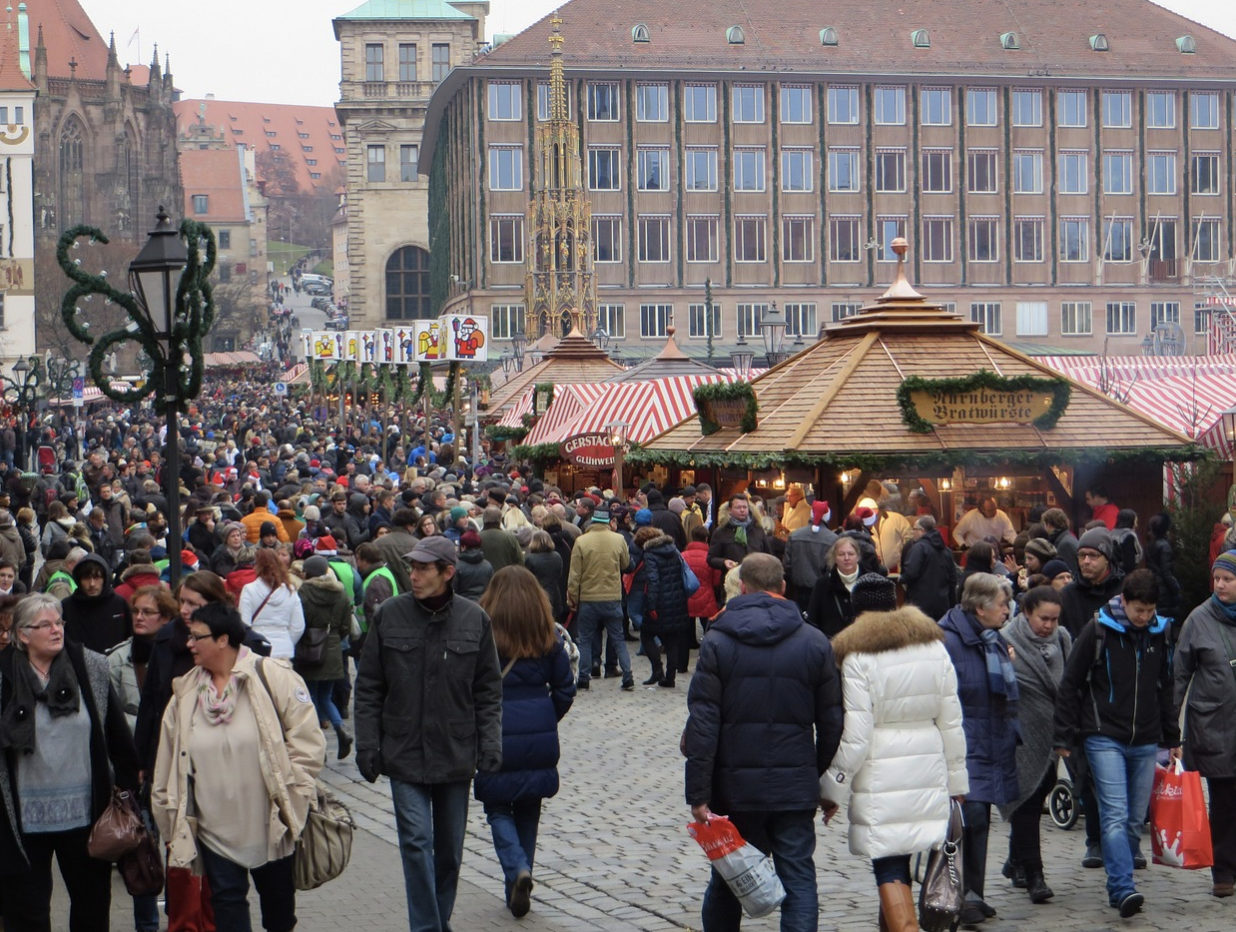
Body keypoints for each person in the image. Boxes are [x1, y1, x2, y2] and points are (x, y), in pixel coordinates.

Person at [684, 553, 843, 932]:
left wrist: (698, 795)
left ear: (742, 587)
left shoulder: (718, 639)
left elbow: (703, 722)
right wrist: (815, 774)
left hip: (735, 787)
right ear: (783, 587)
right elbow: (833, 721)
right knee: (799, 879)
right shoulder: (815, 640)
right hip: (793, 787)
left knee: (726, 882)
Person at [353, 535, 504, 932]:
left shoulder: (474, 619)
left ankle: (438, 920)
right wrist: (367, 744)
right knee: (417, 843)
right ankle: (427, 928)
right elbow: (369, 686)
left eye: (422, 568)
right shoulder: (390, 615)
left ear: (448, 573)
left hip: (456, 751)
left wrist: (491, 743)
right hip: (403, 750)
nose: (413, 575)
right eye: (412, 567)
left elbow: (488, 691)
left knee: (450, 852)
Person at [152, 601, 325, 932]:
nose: (189, 644)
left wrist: (296, 795)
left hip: (270, 823)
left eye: (196, 637)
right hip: (213, 827)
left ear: (222, 640)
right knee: (227, 903)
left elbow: (308, 743)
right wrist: (169, 817)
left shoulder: (272, 677)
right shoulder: (186, 691)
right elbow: (168, 761)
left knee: (278, 911)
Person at [819, 579, 968, 932]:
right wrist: (957, 781)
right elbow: (952, 719)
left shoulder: (857, 656)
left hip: (881, 767)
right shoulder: (934, 647)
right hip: (928, 762)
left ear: (856, 613)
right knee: (907, 850)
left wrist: (831, 789)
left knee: (888, 859)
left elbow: (856, 733)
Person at [0, 593, 139, 932]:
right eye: (44, 625)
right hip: (25, 820)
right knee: (27, 911)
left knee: (91, 906)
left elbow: (116, 735)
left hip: (85, 816)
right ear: (22, 634)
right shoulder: (4, 675)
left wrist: (129, 788)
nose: (56, 630)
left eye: (59, 622)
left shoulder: (89, 665)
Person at [1053, 569, 1178, 919]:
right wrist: (1064, 735)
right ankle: (1123, 887)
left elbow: (1165, 686)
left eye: (1150, 610)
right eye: (1139, 609)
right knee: (1115, 814)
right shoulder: (1099, 630)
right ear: (1124, 601)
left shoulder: (1161, 632)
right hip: (1103, 734)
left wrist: (1172, 737)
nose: (1144, 617)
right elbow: (1070, 683)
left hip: (1145, 739)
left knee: (1135, 819)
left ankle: (1119, 881)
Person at [474, 566, 575, 917]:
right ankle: (520, 877)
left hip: (494, 728)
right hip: (538, 732)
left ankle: (516, 868)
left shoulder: (482, 630)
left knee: (498, 805)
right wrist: (548, 717)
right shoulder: (547, 635)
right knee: (529, 806)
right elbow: (565, 687)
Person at [939, 573, 1019, 925]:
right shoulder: (948, 641)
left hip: (991, 739)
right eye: (1002, 605)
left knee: (981, 821)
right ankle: (955, 895)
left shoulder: (992, 638)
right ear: (979, 607)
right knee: (965, 822)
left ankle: (976, 892)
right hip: (963, 743)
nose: (1007, 610)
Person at [108, 584, 177, 932]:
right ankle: (146, 925)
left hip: (172, 765)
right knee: (142, 851)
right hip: (135, 768)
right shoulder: (118, 658)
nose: (139, 618)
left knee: (176, 851)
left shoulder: (178, 653)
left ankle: (178, 917)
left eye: (147, 612)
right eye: (136, 611)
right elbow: (110, 713)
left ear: (166, 617)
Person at [997, 586, 1071, 905]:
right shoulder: (1005, 640)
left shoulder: (1064, 640)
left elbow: (1069, 684)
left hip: (1051, 735)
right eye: (1044, 618)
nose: (1049, 626)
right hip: (1018, 735)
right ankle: (1034, 874)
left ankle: (1015, 861)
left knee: (1041, 790)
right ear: (1026, 612)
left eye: (1055, 619)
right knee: (1026, 802)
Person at [1173, 551, 1236, 898]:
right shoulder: (1198, 619)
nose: (1220, 585)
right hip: (1214, 726)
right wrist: (1169, 729)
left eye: (1228, 579)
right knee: (1225, 799)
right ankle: (1223, 871)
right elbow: (1179, 675)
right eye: (1217, 579)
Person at [566, 507, 634, 691]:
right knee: (618, 638)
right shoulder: (619, 539)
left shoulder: (581, 541)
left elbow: (574, 575)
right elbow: (626, 564)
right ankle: (628, 675)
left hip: (588, 598)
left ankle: (584, 677)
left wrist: (572, 599)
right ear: (608, 522)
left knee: (586, 639)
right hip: (612, 597)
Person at [295, 555, 354, 759]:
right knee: (326, 697)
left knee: (310, 698)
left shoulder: (304, 591)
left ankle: (317, 742)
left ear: (308, 573)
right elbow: (346, 624)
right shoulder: (340, 592)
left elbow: (299, 623)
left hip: (310, 649)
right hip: (333, 647)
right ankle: (340, 728)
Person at [640, 526, 691, 688]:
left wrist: (651, 605)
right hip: (677, 600)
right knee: (671, 641)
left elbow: (653, 580)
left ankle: (657, 670)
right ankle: (670, 677)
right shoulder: (674, 550)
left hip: (660, 601)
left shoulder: (650, 554)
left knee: (646, 635)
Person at [239, 547, 305, 660]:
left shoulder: (249, 590)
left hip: (257, 649)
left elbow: (244, 625)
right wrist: (287, 641)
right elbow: (298, 626)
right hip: (284, 649)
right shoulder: (291, 591)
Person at [60, 551, 132, 654]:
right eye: (86, 578)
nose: (92, 584)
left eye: (97, 578)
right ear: (79, 580)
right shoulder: (67, 607)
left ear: (105, 578)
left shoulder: (119, 604)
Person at [899, 514, 958, 620]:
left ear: (922, 531)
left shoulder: (918, 548)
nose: (913, 533)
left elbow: (911, 573)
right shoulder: (946, 550)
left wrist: (902, 578)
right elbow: (953, 579)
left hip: (920, 605)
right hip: (942, 604)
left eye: (914, 529)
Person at [707, 494, 768, 595]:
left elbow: (768, 554)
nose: (742, 510)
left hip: (757, 583)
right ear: (730, 509)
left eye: (745, 507)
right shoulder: (721, 532)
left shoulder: (757, 529)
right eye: (738, 507)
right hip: (733, 586)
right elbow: (710, 558)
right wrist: (724, 562)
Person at [783, 501, 836, 612]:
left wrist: (796, 577)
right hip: (823, 589)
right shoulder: (833, 539)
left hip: (798, 589)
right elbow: (833, 567)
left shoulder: (794, 536)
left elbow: (787, 564)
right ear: (828, 516)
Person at [806, 535, 862, 637]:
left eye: (851, 554)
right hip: (833, 645)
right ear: (835, 558)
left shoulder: (870, 581)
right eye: (841, 554)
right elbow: (812, 620)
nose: (846, 558)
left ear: (857, 557)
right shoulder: (822, 584)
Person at [1144, 513, 1181, 624]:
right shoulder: (1164, 546)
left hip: (1153, 583)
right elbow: (1166, 571)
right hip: (1164, 589)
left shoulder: (1150, 543)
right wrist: (1176, 590)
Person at [525, 529, 564, 621]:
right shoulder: (556, 556)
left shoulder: (530, 559)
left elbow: (527, 579)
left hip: (537, 595)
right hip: (555, 594)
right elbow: (559, 574)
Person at [455, 529, 494, 601]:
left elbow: (453, 591)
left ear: (463, 547)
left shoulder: (457, 567)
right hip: (483, 604)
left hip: (463, 605)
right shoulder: (488, 565)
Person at [1042, 508, 1080, 577]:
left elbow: (1070, 572)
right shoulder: (1066, 538)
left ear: (1048, 524)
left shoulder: (1065, 544)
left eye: (1044, 524)